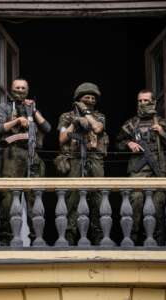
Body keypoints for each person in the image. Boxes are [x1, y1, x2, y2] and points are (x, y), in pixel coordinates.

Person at [116, 89, 166, 245]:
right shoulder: (131, 124)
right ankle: (132, 242)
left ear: (153, 102)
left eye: (146, 100)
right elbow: (117, 143)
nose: (142, 103)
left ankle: (156, 243)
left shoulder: (161, 123)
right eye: (140, 101)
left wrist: (162, 133)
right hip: (138, 173)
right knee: (134, 204)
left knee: (157, 208)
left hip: (158, 173)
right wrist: (129, 143)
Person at [0, 78, 51, 244]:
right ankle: (6, 238)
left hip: (32, 155)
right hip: (12, 154)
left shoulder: (31, 108)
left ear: (27, 90)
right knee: (8, 197)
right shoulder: (5, 107)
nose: (20, 90)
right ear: (12, 90)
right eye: (17, 87)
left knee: (35, 197)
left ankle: (37, 238)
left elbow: (47, 128)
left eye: (23, 88)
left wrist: (33, 111)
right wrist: (18, 120)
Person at [55, 82, 109, 245]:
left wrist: (86, 113)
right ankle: (69, 238)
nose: (90, 100)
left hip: (94, 160)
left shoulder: (99, 117)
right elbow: (62, 139)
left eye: (93, 98)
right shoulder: (66, 116)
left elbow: (98, 129)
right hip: (74, 160)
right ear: (78, 99)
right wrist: (75, 122)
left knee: (98, 200)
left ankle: (99, 238)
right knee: (72, 200)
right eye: (86, 97)